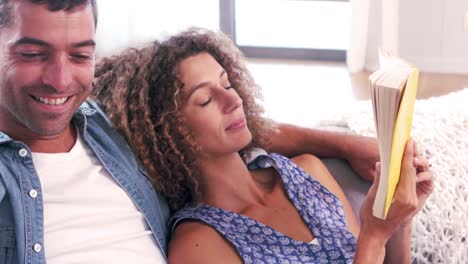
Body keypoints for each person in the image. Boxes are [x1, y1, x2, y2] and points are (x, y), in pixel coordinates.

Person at [0, 1, 379, 264]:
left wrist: (347, 143)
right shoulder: (201, 240)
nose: (61, 80)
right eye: (33, 54)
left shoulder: (112, 129)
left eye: (81, 55)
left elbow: (228, 132)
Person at [93, 28, 433, 264]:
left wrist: (399, 220)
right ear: (169, 133)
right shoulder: (199, 246)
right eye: (205, 99)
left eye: (227, 83)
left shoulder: (306, 171)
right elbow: (369, 248)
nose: (232, 99)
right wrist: (374, 236)